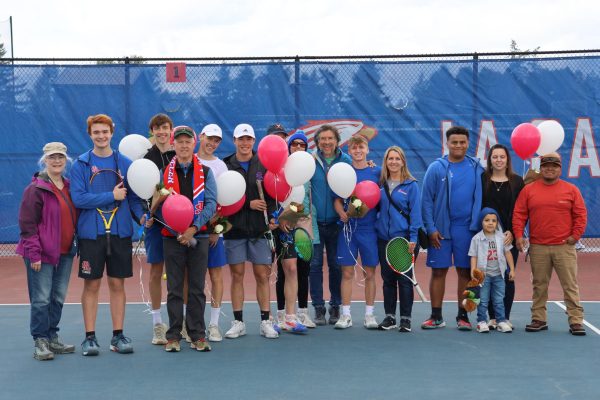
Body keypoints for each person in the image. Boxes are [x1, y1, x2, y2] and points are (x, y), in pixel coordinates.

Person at [71, 114, 145, 355]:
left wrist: (141, 217)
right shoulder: (80, 164)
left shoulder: (124, 163)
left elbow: (133, 198)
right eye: (96, 132)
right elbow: (79, 198)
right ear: (90, 134)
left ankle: (118, 336)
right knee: (91, 285)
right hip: (91, 235)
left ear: (112, 133)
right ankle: (89, 338)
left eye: (105, 132)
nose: (101, 136)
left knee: (117, 284)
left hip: (120, 233)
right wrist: (110, 197)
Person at [156, 126, 217, 352]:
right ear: (173, 145)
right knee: (174, 288)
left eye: (187, 142)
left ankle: (198, 335)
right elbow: (158, 205)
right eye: (179, 142)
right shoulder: (164, 172)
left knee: (197, 288)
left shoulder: (207, 172)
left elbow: (211, 204)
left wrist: (192, 228)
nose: (183, 145)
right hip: (171, 237)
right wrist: (176, 229)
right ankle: (173, 336)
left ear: (194, 144)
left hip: (198, 236)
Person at [513, 152, 587, 336]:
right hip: (538, 247)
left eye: (554, 166)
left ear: (560, 169)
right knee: (539, 285)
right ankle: (539, 319)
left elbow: (580, 215)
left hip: (565, 247)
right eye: (546, 166)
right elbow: (519, 214)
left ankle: (576, 321)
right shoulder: (529, 190)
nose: (550, 169)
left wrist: (575, 236)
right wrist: (518, 235)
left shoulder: (571, 190)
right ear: (541, 168)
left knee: (570, 285)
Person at [17, 142, 77, 361]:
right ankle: (40, 341)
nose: (57, 161)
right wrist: (34, 253)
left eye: (60, 157)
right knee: (41, 299)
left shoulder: (69, 186)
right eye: (52, 157)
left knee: (57, 297)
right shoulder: (35, 189)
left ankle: (52, 336)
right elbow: (27, 224)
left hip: (65, 253)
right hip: (41, 254)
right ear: (45, 161)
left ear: (66, 160)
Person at [420, 126, 484, 330]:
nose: (458, 145)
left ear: (467, 144)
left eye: (462, 142)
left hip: (467, 230)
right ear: (447, 144)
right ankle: (436, 316)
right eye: (454, 142)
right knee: (438, 272)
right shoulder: (436, 168)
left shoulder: (476, 167)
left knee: (465, 272)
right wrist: (430, 229)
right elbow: (426, 201)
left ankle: (463, 316)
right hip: (441, 231)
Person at [223, 123, 280, 339]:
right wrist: (249, 204)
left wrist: (274, 216)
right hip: (234, 230)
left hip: (260, 230)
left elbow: (274, 193)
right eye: (241, 139)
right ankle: (238, 322)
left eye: (249, 139)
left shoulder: (264, 163)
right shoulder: (226, 165)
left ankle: (266, 321)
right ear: (235, 141)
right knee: (236, 275)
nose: (245, 143)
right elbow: (224, 198)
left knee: (262, 276)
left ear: (254, 142)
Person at [333, 135, 381, 329]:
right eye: (354, 148)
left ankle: (369, 315)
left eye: (361, 147)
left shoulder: (376, 172)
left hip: (369, 230)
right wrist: (342, 213)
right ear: (349, 151)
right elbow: (336, 199)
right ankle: (346, 315)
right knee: (346, 272)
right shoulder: (344, 172)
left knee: (370, 272)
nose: (358, 151)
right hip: (348, 230)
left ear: (367, 149)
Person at [270, 127, 314, 332]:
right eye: (294, 144)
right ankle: (277, 317)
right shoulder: (277, 166)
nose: (297, 147)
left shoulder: (308, 166)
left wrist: (290, 216)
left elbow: (299, 198)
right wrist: (279, 219)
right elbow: (272, 194)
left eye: (301, 144)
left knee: (295, 269)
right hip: (277, 226)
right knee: (279, 271)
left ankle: (292, 316)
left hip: (299, 224)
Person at [375, 146, 422, 332]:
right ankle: (389, 317)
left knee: (404, 280)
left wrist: (413, 238)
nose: (393, 162)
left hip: (404, 241)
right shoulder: (380, 184)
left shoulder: (411, 185)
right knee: (387, 280)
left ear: (403, 162)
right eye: (390, 159)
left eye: (397, 159)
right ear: (385, 162)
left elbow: (416, 215)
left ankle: (405, 319)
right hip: (383, 240)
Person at [309, 124, 352, 325]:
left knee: (336, 266)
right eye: (322, 139)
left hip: (337, 223)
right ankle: (318, 308)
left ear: (337, 141)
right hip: (315, 223)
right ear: (317, 142)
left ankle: (336, 306)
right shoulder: (309, 160)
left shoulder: (346, 161)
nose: (327, 142)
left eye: (330, 138)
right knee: (315, 266)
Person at [481, 144, 524, 328]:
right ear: (490, 160)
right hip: (486, 238)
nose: (498, 160)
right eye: (495, 157)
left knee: (507, 276)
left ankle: (504, 317)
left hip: (508, 238)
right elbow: (478, 207)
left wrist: (513, 232)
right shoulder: (482, 179)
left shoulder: (517, 181)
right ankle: (492, 317)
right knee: (489, 276)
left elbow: (520, 211)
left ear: (507, 160)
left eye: (502, 157)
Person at [142, 113, 175, 345]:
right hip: (155, 226)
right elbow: (141, 191)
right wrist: (148, 214)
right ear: (152, 131)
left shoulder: (180, 155)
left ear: (170, 130)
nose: (161, 131)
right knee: (156, 271)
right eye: (157, 128)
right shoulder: (146, 159)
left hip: (178, 224)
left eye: (165, 127)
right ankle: (157, 325)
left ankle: (179, 324)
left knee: (178, 273)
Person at [196, 123, 229, 342]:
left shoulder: (221, 167)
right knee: (192, 279)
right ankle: (192, 324)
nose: (212, 143)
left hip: (214, 232)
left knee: (216, 275)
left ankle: (214, 324)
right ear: (201, 137)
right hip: (192, 230)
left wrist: (216, 229)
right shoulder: (189, 160)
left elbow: (225, 202)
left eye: (217, 141)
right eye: (210, 138)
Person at [468, 208, 515, 333]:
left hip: (499, 275)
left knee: (499, 300)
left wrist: (512, 269)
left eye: (494, 221)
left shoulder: (502, 237)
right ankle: (481, 321)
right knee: (483, 300)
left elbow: (508, 253)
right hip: (483, 276)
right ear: (481, 222)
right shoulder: (476, 239)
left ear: (497, 223)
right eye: (487, 220)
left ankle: (501, 321)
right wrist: (473, 270)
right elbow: (474, 256)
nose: (490, 223)